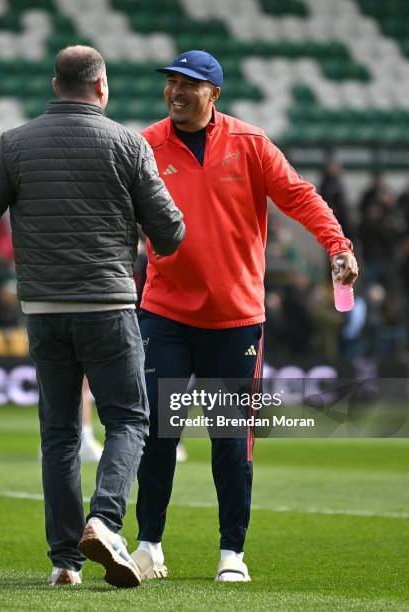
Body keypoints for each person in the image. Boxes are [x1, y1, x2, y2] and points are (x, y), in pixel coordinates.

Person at [0, 45, 185, 589]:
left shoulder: (15, 144)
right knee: (130, 418)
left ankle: (66, 562)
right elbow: (171, 231)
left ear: (55, 85)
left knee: (59, 434)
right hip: (108, 306)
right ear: (101, 87)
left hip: (43, 309)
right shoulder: (128, 145)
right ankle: (105, 521)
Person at [130, 50, 358, 583]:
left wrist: (337, 245)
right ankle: (148, 547)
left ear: (215, 94)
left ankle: (231, 553)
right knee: (159, 434)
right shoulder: (144, 145)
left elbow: (300, 196)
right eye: (171, 83)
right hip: (164, 312)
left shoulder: (251, 144)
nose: (176, 91)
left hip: (235, 320)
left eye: (189, 84)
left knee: (231, 442)